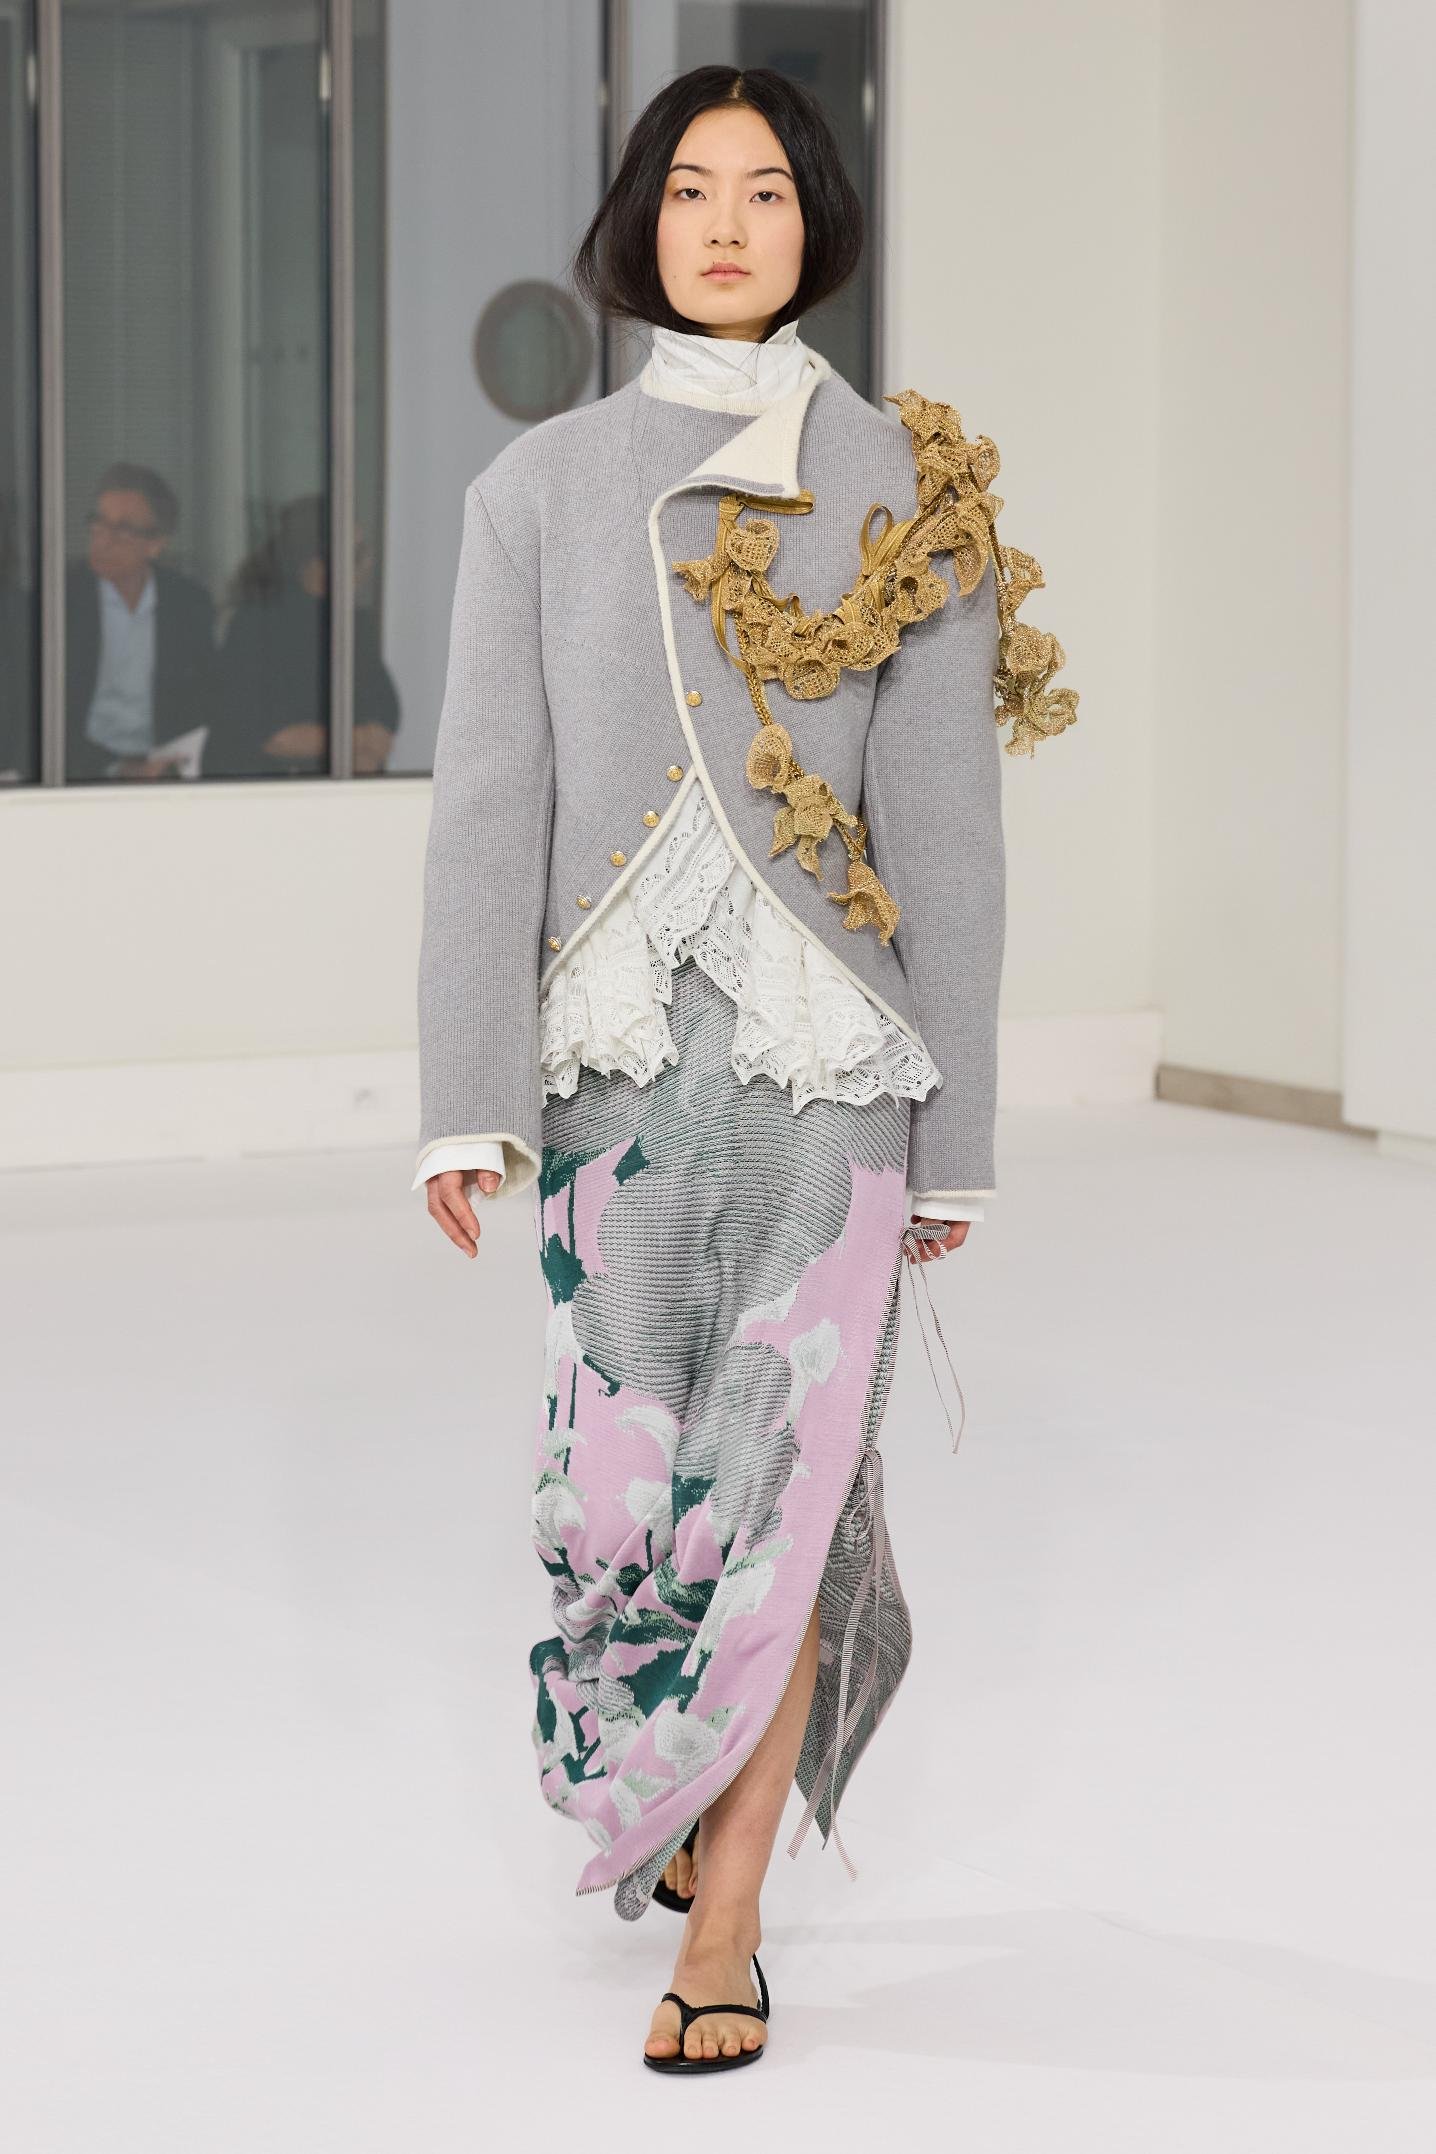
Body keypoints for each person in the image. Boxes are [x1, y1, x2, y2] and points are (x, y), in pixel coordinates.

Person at [412, 65, 1075, 2076]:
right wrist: (465, 1093)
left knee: (779, 1488)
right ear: (639, 221)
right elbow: (486, 806)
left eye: (765, 190)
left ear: (816, 224)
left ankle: (729, 1923)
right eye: (690, 188)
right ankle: (677, 1796)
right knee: (623, 1486)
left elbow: (947, 830)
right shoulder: (535, 492)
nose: (725, 223)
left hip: (827, 1061)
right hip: (613, 1063)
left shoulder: (902, 483)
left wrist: (956, 1133)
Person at [212, 496, 399, 778]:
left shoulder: (354, 624)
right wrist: (358, 739)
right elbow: (270, 734)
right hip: (265, 787)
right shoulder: (257, 623)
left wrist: (364, 749)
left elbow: (384, 713)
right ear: (315, 564)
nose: (368, 563)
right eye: (357, 554)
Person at [64, 463, 219, 783]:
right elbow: (43, 713)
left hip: (163, 769)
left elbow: (205, 699)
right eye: (98, 523)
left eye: (121, 529)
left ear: (155, 544)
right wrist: (116, 767)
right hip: (78, 772)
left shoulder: (188, 603)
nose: (103, 539)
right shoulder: (62, 600)